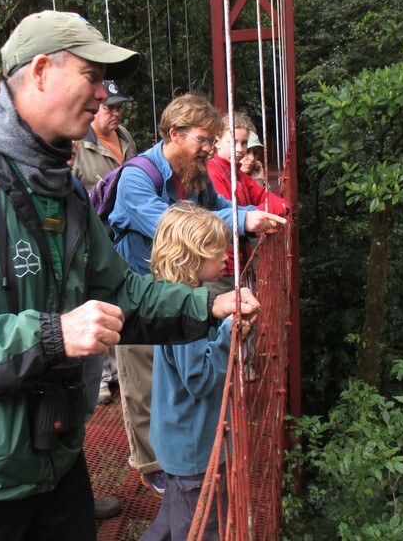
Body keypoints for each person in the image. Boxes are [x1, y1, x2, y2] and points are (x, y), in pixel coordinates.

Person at [0, 10, 259, 541]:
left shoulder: (65, 190)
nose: (104, 95)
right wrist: (53, 334)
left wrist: (206, 306)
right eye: (91, 76)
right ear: (38, 72)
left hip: (53, 461)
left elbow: (122, 291)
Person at [108, 94, 285, 497]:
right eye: (204, 140)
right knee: (142, 377)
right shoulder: (137, 178)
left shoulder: (194, 172)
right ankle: (151, 463)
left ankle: (173, 458)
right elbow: (176, 228)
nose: (210, 149)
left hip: (179, 286)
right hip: (138, 291)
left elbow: (218, 206)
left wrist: (243, 215)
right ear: (174, 133)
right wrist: (241, 220)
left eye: (212, 141)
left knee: (168, 373)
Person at [142, 202, 242, 541]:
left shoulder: (174, 298)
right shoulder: (187, 311)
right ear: (192, 258)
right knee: (200, 527)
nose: (226, 256)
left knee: (173, 516)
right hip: (194, 450)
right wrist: (231, 332)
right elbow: (198, 379)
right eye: (216, 251)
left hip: (176, 439)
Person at [73, 79, 137, 407]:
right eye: (109, 107)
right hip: (91, 235)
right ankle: (100, 378)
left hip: (122, 235)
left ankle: (118, 372)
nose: (116, 113)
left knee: (119, 298)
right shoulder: (78, 145)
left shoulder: (124, 137)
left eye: (119, 107)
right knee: (93, 301)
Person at [206, 111, 290, 294]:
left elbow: (282, 204)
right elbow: (229, 215)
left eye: (244, 143)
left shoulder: (238, 175)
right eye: (233, 142)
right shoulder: (212, 173)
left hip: (239, 264)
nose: (240, 149)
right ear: (217, 140)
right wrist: (254, 215)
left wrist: (254, 214)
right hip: (221, 268)